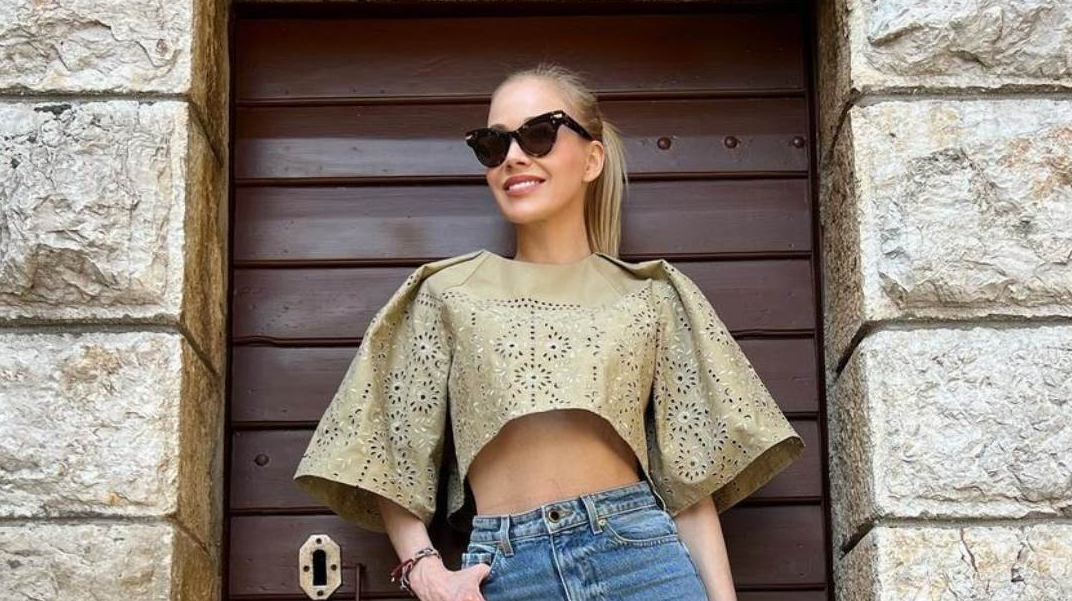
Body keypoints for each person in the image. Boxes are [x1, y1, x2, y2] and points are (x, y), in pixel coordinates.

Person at [292, 62, 805, 601]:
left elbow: (689, 489)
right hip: (504, 573)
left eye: (539, 134)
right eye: (494, 144)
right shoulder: (445, 292)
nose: (514, 156)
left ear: (592, 159)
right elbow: (387, 447)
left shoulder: (652, 295)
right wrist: (424, 569)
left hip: (643, 560)